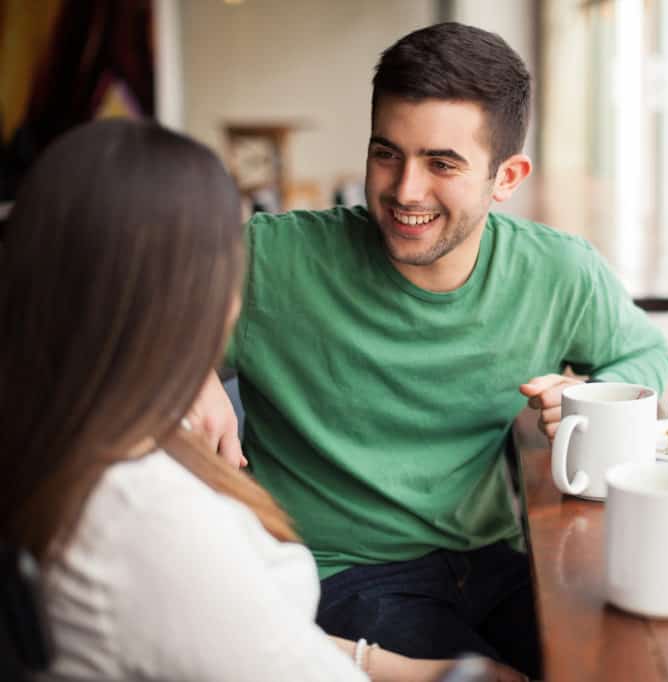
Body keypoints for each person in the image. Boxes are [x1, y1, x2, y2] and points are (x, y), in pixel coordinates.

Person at [191, 22, 668, 678]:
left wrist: (587, 398)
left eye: (441, 163)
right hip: (343, 575)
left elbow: (642, 354)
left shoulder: (558, 271)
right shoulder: (271, 259)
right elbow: (98, 334)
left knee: (627, 663)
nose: (405, 190)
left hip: (499, 560)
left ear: (507, 176)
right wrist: (183, 372)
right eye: (386, 153)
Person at [0, 118, 522, 682]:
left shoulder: (69, 444)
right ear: (193, 297)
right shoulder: (148, 517)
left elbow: (240, 638)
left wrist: (401, 667)